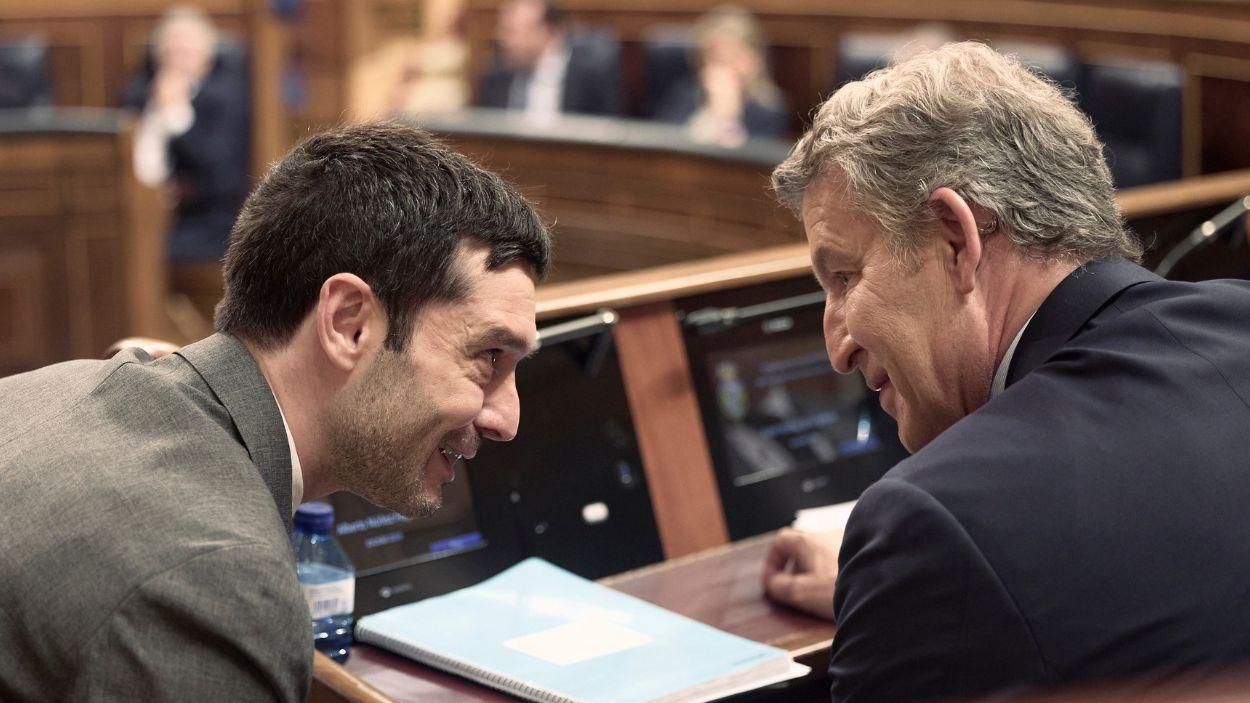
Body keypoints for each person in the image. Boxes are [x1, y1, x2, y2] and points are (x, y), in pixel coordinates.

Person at [761, 41, 1250, 702]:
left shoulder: (931, 525)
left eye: (846, 275)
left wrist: (913, 584)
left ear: (956, 238)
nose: (837, 346)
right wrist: (892, 598)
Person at [0, 122, 551, 701]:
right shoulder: (219, 584)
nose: (505, 419)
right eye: (488, 356)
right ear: (348, 323)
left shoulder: (51, 387)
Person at [121, 6, 251, 263]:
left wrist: (175, 113)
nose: (177, 55)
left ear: (208, 55)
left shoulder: (224, 99)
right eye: (170, 48)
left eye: (186, 50)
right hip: (135, 212)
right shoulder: (136, 95)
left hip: (203, 220)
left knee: (142, 254)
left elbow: (220, 175)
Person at [654, 6, 788, 148]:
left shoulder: (768, 109)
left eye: (735, 57)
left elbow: (755, 163)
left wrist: (729, 116)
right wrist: (710, 113)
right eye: (717, 59)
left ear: (756, 60)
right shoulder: (685, 96)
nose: (726, 68)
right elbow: (667, 148)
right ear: (701, 63)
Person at [476, 0, 621, 119]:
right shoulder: (495, 75)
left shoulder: (590, 75)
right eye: (502, 29)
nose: (502, 39)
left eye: (512, 32)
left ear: (550, 32)